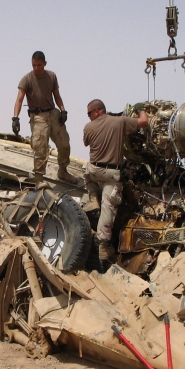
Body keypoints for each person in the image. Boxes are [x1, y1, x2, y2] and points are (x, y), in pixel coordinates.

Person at [83, 99, 149, 263]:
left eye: (89, 113)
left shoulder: (88, 127)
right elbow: (144, 122)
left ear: (97, 111)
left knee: (86, 172)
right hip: (112, 174)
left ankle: (93, 198)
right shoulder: (120, 122)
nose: (89, 116)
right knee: (108, 206)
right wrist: (142, 109)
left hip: (94, 171)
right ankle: (103, 247)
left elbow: (86, 142)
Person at [12, 51, 78, 187]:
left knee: (64, 143)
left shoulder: (51, 76)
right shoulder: (27, 79)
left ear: (45, 64)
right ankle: (39, 179)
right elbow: (19, 100)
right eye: (34, 65)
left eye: (39, 65)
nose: (36, 68)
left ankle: (63, 171)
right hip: (38, 116)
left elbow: (57, 95)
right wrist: (15, 118)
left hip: (52, 113)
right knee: (40, 146)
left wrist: (63, 110)